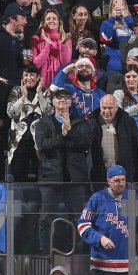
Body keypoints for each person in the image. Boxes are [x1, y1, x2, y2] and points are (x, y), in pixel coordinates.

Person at [34, 89, 94, 256]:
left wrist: (70, 130)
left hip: (75, 179)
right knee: (46, 219)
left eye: (66, 98)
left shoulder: (80, 122)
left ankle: (80, 255)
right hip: (50, 179)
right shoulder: (44, 123)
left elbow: (85, 142)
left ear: (70, 102)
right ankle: (46, 256)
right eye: (58, 98)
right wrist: (63, 135)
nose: (62, 100)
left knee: (79, 218)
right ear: (53, 101)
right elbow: (42, 145)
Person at [77, 165, 130, 275]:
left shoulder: (131, 197)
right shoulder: (97, 198)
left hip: (127, 261)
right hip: (104, 260)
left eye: (123, 180)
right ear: (108, 181)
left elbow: (137, 223)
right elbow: (82, 225)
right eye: (116, 180)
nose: (120, 183)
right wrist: (100, 238)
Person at [90, 94, 138, 186]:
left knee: (130, 196)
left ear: (116, 108)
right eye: (104, 108)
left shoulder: (128, 122)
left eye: (110, 108)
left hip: (125, 179)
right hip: (99, 180)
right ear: (100, 107)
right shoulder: (91, 123)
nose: (106, 111)